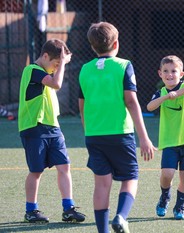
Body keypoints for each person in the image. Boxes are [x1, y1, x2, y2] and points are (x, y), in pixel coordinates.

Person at [78, 22, 156, 233]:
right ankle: (121, 217)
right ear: (116, 43)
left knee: (101, 184)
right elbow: (131, 101)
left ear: (92, 46)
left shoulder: (84, 69)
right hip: (120, 133)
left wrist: (88, 131)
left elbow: (81, 105)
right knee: (131, 177)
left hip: (94, 135)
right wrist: (144, 138)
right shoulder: (124, 65)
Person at [18, 39, 86, 223]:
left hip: (53, 127)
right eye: (56, 63)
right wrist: (63, 62)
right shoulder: (31, 70)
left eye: (59, 64)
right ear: (45, 56)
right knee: (36, 171)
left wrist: (61, 61)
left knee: (64, 166)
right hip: (34, 127)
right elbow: (57, 84)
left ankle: (68, 208)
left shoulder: (46, 72)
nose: (57, 68)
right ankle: (31, 210)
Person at [147, 55, 184, 220]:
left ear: (181, 73)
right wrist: (166, 96)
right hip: (170, 142)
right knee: (167, 174)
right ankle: (164, 198)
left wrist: (177, 93)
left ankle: (179, 208)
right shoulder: (160, 93)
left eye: (174, 71)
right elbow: (150, 107)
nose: (169, 74)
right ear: (160, 74)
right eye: (166, 71)